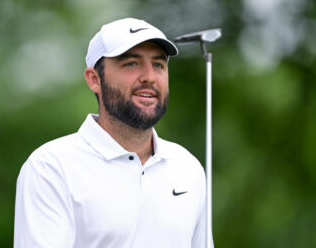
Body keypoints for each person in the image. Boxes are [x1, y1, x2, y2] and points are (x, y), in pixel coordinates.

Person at [14, 18, 208, 248]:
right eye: (131, 64)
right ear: (95, 79)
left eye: (158, 65)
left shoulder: (187, 167)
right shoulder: (50, 167)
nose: (149, 76)